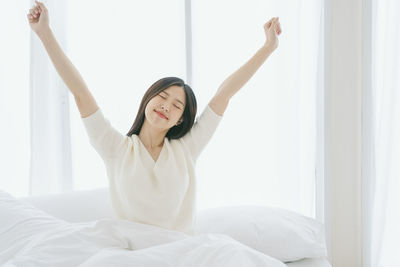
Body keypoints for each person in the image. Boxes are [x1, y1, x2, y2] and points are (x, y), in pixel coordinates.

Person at [27, 1, 282, 236]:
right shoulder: (115, 149)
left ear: (180, 120)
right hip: (134, 255)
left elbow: (224, 94)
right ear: (148, 99)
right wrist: (45, 33)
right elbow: (80, 92)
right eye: (162, 96)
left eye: (176, 105)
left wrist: (268, 48)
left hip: (181, 252)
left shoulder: (186, 149)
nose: (166, 106)